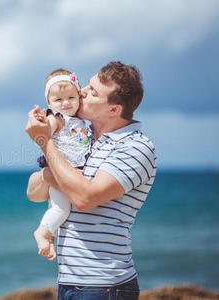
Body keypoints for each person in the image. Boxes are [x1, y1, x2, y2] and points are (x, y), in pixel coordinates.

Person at [25, 61, 156, 299]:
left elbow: (85, 198)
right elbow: (33, 193)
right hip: (68, 281)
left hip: (104, 285)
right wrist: (52, 172)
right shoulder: (83, 138)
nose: (82, 91)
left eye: (93, 92)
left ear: (114, 109)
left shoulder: (136, 147)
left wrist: (46, 143)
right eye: (88, 84)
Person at [33, 69, 91, 261]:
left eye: (71, 97)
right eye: (59, 100)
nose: (65, 103)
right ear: (49, 103)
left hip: (74, 172)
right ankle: (42, 233)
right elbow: (48, 127)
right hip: (60, 172)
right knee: (60, 209)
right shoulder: (57, 118)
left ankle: (49, 237)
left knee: (58, 209)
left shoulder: (81, 121)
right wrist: (44, 124)